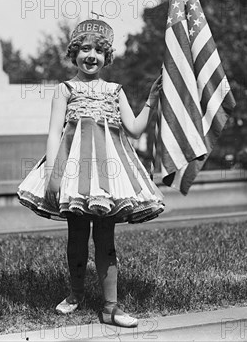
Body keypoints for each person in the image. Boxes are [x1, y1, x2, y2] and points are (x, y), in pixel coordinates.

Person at [17, 19, 164, 328]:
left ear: (106, 56)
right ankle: (75, 294)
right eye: (85, 49)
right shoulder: (65, 89)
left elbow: (135, 129)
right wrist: (54, 176)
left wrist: (151, 100)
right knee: (77, 235)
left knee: (105, 237)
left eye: (99, 50)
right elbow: (54, 132)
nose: (91, 56)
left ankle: (111, 306)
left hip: (108, 175)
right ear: (75, 53)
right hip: (73, 171)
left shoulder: (115, 90)